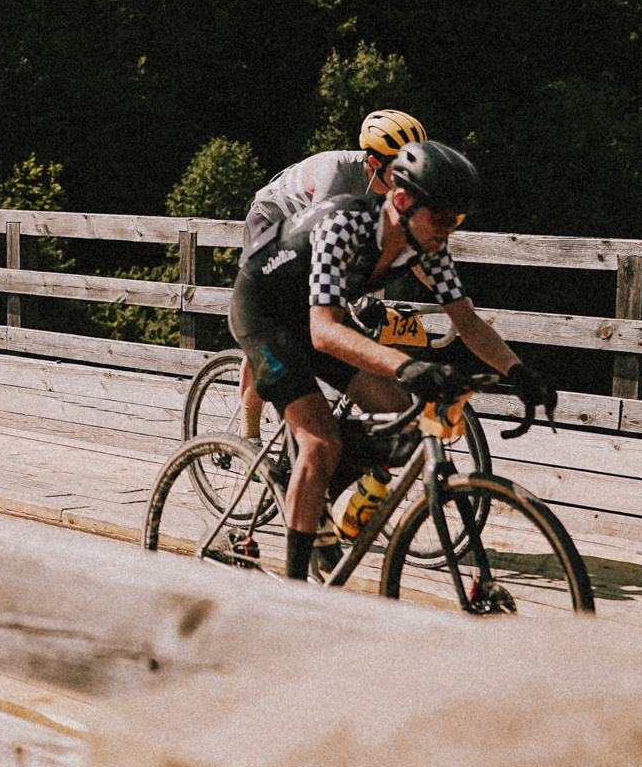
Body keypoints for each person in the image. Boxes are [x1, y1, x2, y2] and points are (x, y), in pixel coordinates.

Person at [227, 139, 554, 579]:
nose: (449, 230)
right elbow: (324, 332)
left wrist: (517, 371)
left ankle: (314, 487)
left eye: (456, 220)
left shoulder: (426, 246)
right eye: (441, 218)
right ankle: (293, 589)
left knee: (403, 412)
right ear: (400, 201)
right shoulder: (343, 224)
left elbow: (467, 321)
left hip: (312, 316)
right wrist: (406, 365)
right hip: (265, 312)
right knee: (321, 442)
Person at [233, 109, 428, 438]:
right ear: (374, 161)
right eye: (399, 167)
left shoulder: (392, 189)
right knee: (277, 323)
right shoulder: (337, 173)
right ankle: (248, 432)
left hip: (308, 231)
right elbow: (315, 242)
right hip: (273, 220)